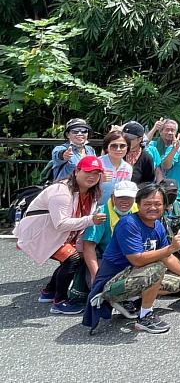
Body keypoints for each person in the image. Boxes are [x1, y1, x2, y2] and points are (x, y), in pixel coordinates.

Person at [83, 183, 180, 334]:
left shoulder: (158, 225)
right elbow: (137, 260)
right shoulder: (128, 224)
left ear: (165, 206)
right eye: (147, 204)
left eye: (157, 204)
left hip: (132, 275)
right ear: (138, 204)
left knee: (178, 283)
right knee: (157, 268)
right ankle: (145, 316)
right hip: (110, 284)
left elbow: (168, 257)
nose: (153, 208)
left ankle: (131, 300)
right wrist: (170, 248)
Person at [14, 156, 107, 314]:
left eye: (96, 173)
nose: (92, 176)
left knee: (75, 257)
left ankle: (49, 291)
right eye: (88, 172)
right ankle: (59, 302)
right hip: (39, 234)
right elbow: (61, 224)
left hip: (55, 235)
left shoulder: (91, 193)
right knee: (72, 258)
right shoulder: (61, 191)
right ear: (77, 171)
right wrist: (91, 220)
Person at [83, 180, 138, 284]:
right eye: (120, 197)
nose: (125, 201)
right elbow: (88, 246)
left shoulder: (138, 211)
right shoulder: (101, 213)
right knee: (106, 287)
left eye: (129, 198)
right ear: (113, 197)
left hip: (131, 259)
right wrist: (96, 275)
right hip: (105, 259)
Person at [98, 131, 134, 208]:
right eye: (114, 146)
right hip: (94, 207)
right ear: (106, 147)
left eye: (122, 146)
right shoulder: (97, 163)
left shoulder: (128, 168)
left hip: (116, 209)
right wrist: (98, 179)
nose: (118, 149)